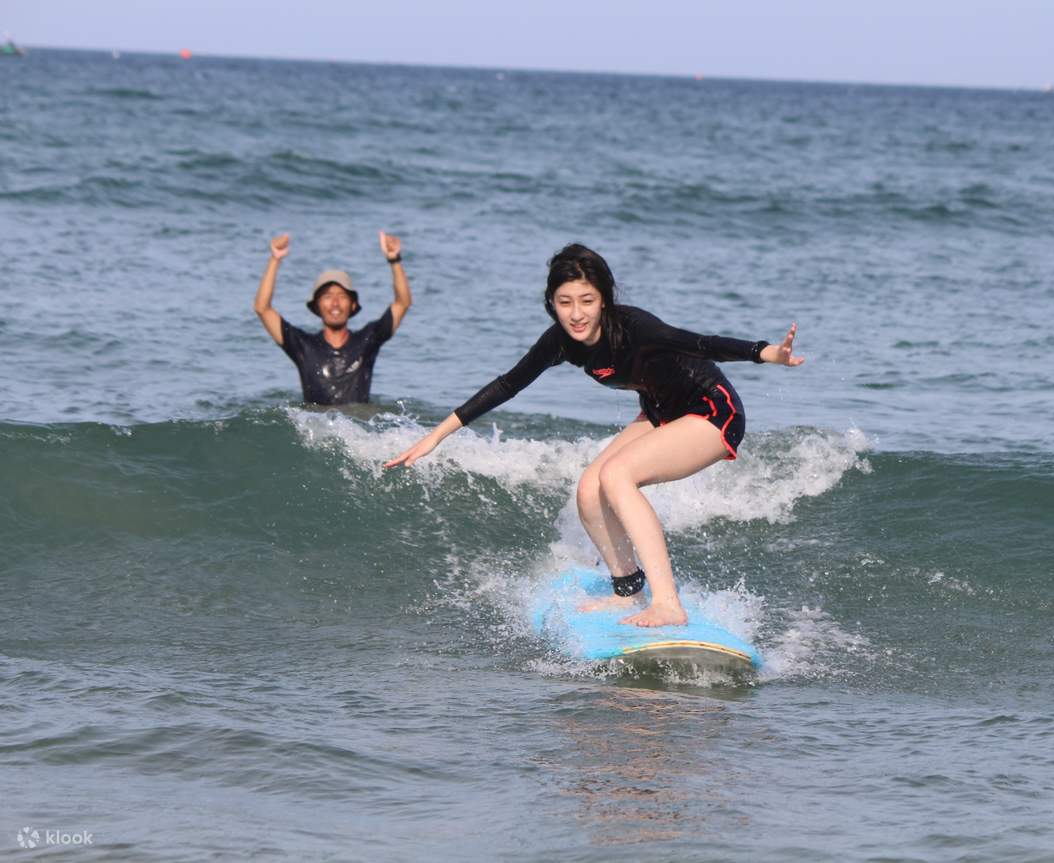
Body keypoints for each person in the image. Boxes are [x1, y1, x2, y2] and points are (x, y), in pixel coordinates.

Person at [385, 244, 803, 627]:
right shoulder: (562, 342)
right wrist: (436, 436)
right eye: (565, 302)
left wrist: (766, 353)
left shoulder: (636, 327)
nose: (577, 313)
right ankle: (628, 591)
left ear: (604, 299)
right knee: (589, 489)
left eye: (587, 301)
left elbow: (701, 343)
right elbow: (507, 384)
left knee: (617, 475)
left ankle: (668, 604)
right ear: (551, 304)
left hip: (713, 411)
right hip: (662, 412)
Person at [253, 232, 412, 405]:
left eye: (342, 296)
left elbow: (402, 303)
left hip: (358, 428)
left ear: (352, 305)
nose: (335, 303)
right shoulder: (303, 346)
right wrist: (275, 259)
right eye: (328, 296)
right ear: (316, 305)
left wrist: (394, 260)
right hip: (315, 427)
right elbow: (263, 308)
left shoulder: (368, 341)